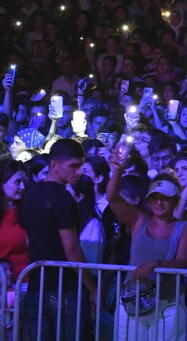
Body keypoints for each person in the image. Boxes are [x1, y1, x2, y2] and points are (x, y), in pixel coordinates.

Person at [105, 150, 187, 341]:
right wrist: (117, 172)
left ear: (175, 201)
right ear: (149, 200)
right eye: (155, 197)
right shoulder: (139, 220)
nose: (160, 202)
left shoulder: (184, 228)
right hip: (132, 300)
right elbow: (112, 198)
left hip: (167, 304)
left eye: (165, 198)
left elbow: (181, 263)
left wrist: (155, 263)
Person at [20, 138, 94, 340]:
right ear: (54, 165)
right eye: (73, 166)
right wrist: (92, 286)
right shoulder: (63, 198)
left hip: (37, 284)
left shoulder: (30, 193)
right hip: (65, 288)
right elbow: (71, 248)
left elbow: (29, 240)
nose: (78, 172)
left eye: (80, 166)